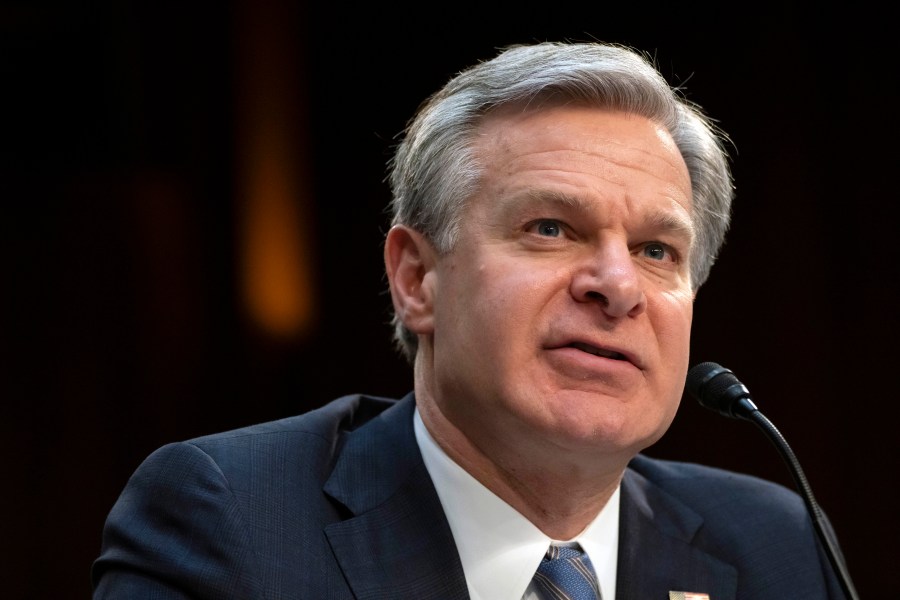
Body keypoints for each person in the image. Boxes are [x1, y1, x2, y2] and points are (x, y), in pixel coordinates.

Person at [92, 41, 853, 599]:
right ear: (416, 280)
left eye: (656, 250)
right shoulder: (233, 521)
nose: (618, 286)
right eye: (550, 228)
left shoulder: (773, 544)